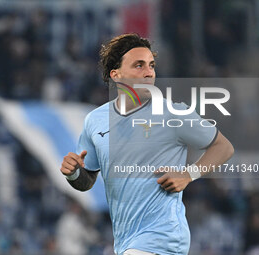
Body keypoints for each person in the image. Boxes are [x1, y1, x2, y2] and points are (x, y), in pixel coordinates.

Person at [60, 33, 234, 255]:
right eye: (139, 65)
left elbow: (223, 147)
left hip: (162, 238)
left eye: (151, 65)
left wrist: (189, 174)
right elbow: (88, 180)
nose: (149, 72)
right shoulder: (95, 120)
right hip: (126, 242)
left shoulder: (173, 113)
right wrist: (74, 173)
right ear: (116, 74)